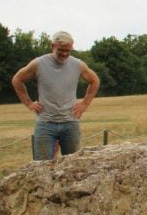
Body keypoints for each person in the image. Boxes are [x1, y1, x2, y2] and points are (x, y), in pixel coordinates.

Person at [12, 31, 100, 160]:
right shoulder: (38, 63)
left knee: (73, 164)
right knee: (41, 166)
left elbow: (95, 81)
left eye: (68, 50)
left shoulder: (78, 65)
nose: (64, 54)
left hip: (70, 122)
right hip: (45, 124)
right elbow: (17, 80)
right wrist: (29, 103)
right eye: (61, 50)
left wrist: (84, 104)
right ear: (52, 46)